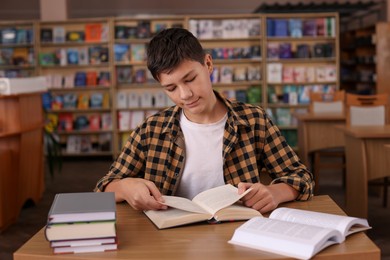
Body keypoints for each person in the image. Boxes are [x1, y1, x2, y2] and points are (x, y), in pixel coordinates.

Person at [94, 28, 314, 213]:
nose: (185, 95)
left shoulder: (254, 120)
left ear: (208, 64)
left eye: (190, 79)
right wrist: (125, 187)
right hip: (170, 242)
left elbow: (301, 177)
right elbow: (103, 187)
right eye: (171, 88)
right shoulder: (151, 130)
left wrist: (276, 192)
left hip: (237, 235)